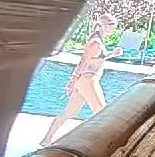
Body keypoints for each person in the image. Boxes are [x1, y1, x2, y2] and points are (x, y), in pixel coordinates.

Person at [41, 14, 123, 145]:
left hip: (86, 81)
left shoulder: (98, 40)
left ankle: (46, 139)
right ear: (104, 26)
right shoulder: (95, 42)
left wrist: (112, 53)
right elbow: (83, 61)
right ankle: (96, 143)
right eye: (111, 28)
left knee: (69, 112)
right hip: (88, 81)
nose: (112, 31)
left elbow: (96, 58)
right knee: (102, 113)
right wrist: (72, 81)